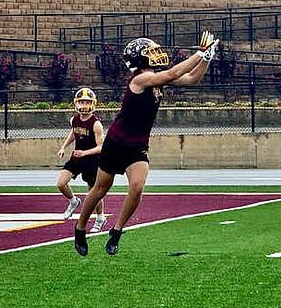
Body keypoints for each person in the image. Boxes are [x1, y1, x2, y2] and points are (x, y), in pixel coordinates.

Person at [74, 31, 219, 256]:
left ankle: (117, 231)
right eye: (149, 52)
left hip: (137, 144)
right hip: (117, 142)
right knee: (101, 188)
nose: (155, 55)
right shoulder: (140, 79)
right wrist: (199, 53)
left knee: (137, 186)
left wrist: (206, 59)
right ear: (139, 59)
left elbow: (191, 79)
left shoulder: (157, 78)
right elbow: (173, 72)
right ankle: (80, 227)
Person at [56, 88, 106, 232]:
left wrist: (84, 153)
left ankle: (100, 217)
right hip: (76, 157)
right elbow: (74, 133)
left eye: (87, 102)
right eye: (82, 101)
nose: (84, 105)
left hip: (91, 160)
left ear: (93, 103)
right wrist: (64, 147)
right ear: (76, 103)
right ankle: (73, 200)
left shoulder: (96, 124)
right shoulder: (74, 119)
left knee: (93, 192)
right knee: (61, 183)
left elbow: (101, 147)